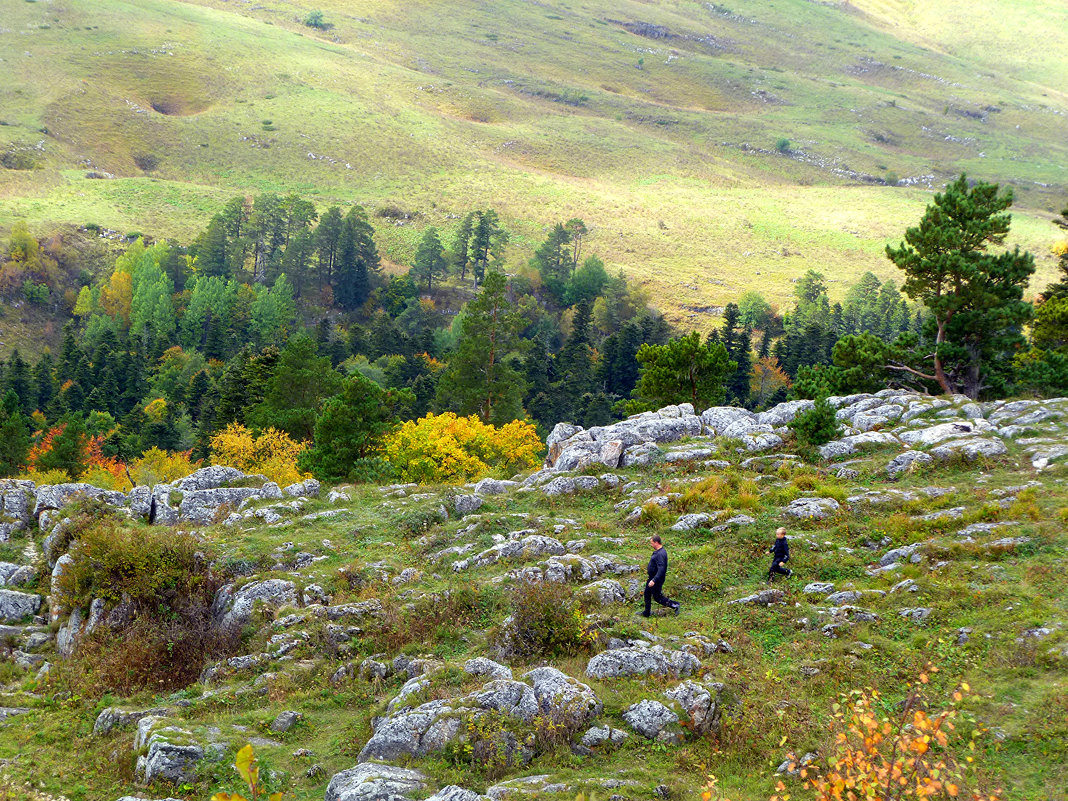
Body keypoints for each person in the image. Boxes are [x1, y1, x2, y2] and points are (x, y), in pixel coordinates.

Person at [643, 534, 680, 617]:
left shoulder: (660, 554)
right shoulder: (659, 552)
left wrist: (654, 580)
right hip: (652, 577)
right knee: (647, 594)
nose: (651, 545)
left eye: (652, 543)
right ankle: (646, 613)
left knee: (657, 597)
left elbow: (661, 569)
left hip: (656, 579)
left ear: (656, 542)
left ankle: (675, 605)